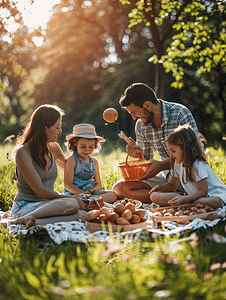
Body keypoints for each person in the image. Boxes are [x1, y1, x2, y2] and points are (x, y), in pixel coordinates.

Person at [112, 83, 204, 203]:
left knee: (153, 194)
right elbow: (146, 159)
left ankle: (182, 197)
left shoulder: (180, 113)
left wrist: (162, 165)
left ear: (147, 105)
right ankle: (181, 197)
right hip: (167, 178)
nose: (134, 117)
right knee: (119, 188)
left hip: (190, 174)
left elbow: (196, 153)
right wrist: (137, 154)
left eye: (134, 112)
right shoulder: (141, 125)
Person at [1, 104, 87, 230]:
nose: (60, 131)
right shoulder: (24, 152)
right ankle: (20, 219)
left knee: (83, 215)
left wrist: (88, 190)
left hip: (47, 205)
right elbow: (39, 191)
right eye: (57, 127)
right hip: (26, 206)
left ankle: (32, 222)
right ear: (45, 127)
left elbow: (72, 176)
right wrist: (71, 197)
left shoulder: (54, 148)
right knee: (71, 204)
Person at [149, 124, 226, 209]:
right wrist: (160, 187)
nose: (171, 155)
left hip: (213, 196)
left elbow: (203, 191)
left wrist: (184, 199)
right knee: (154, 196)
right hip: (195, 197)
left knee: (214, 202)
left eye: (173, 151)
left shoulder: (197, 165)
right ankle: (186, 202)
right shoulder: (177, 163)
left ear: (185, 148)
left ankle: (185, 202)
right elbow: (172, 185)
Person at [63, 123, 117, 203]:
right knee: (71, 201)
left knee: (113, 195)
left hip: (90, 192)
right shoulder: (72, 160)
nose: (87, 150)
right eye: (83, 147)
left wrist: (91, 191)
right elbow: (67, 185)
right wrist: (83, 193)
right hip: (74, 193)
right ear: (75, 143)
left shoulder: (94, 161)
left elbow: (98, 184)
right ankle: (91, 202)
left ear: (95, 145)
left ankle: (89, 202)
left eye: (91, 147)